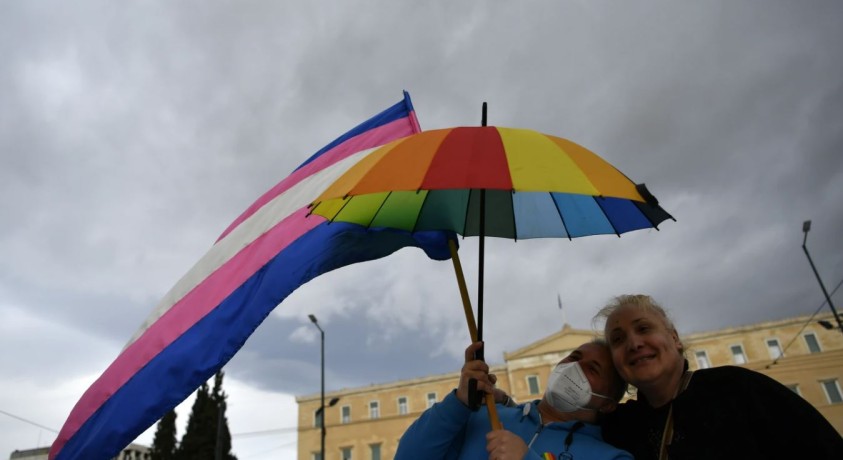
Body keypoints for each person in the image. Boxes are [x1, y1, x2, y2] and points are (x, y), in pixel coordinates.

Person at [595, 294, 843, 460]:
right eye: (618, 339)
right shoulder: (620, 427)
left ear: (674, 339)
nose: (634, 343)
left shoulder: (738, 389)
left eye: (643, 328)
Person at [395, 340, 633, 460]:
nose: (574, 367)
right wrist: (459, 403)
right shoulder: (484, 416)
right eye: (574, 357)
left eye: (592, 369)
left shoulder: (611, 457)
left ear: (608, 403)